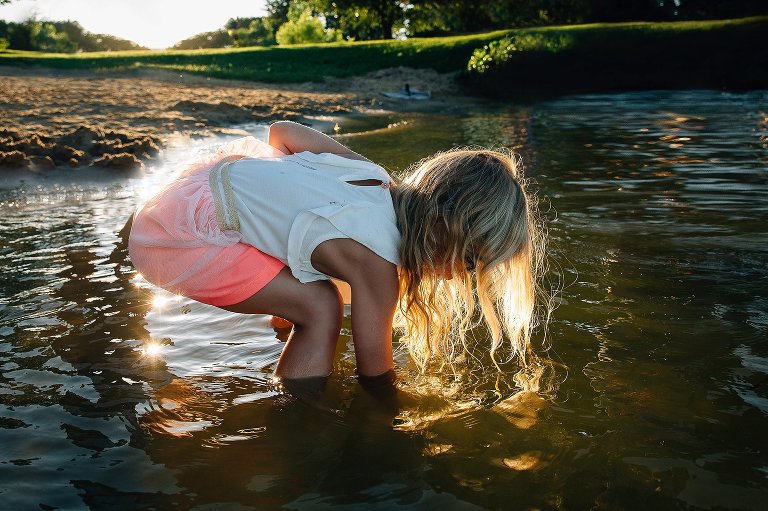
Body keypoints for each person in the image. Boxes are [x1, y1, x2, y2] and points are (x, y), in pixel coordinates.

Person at [128, 121, 545, 387]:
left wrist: (285, 193)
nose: (459, 276)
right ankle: (297, 415)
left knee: (316, 252)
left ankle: (286, 320)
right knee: (323, 306)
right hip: (177, 241)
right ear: (442, 226)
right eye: (470, 261)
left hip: (184, 195)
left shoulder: (370, 175)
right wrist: (392, 422)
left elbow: (282, 132)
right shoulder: (377, 266)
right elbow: (374, 372)